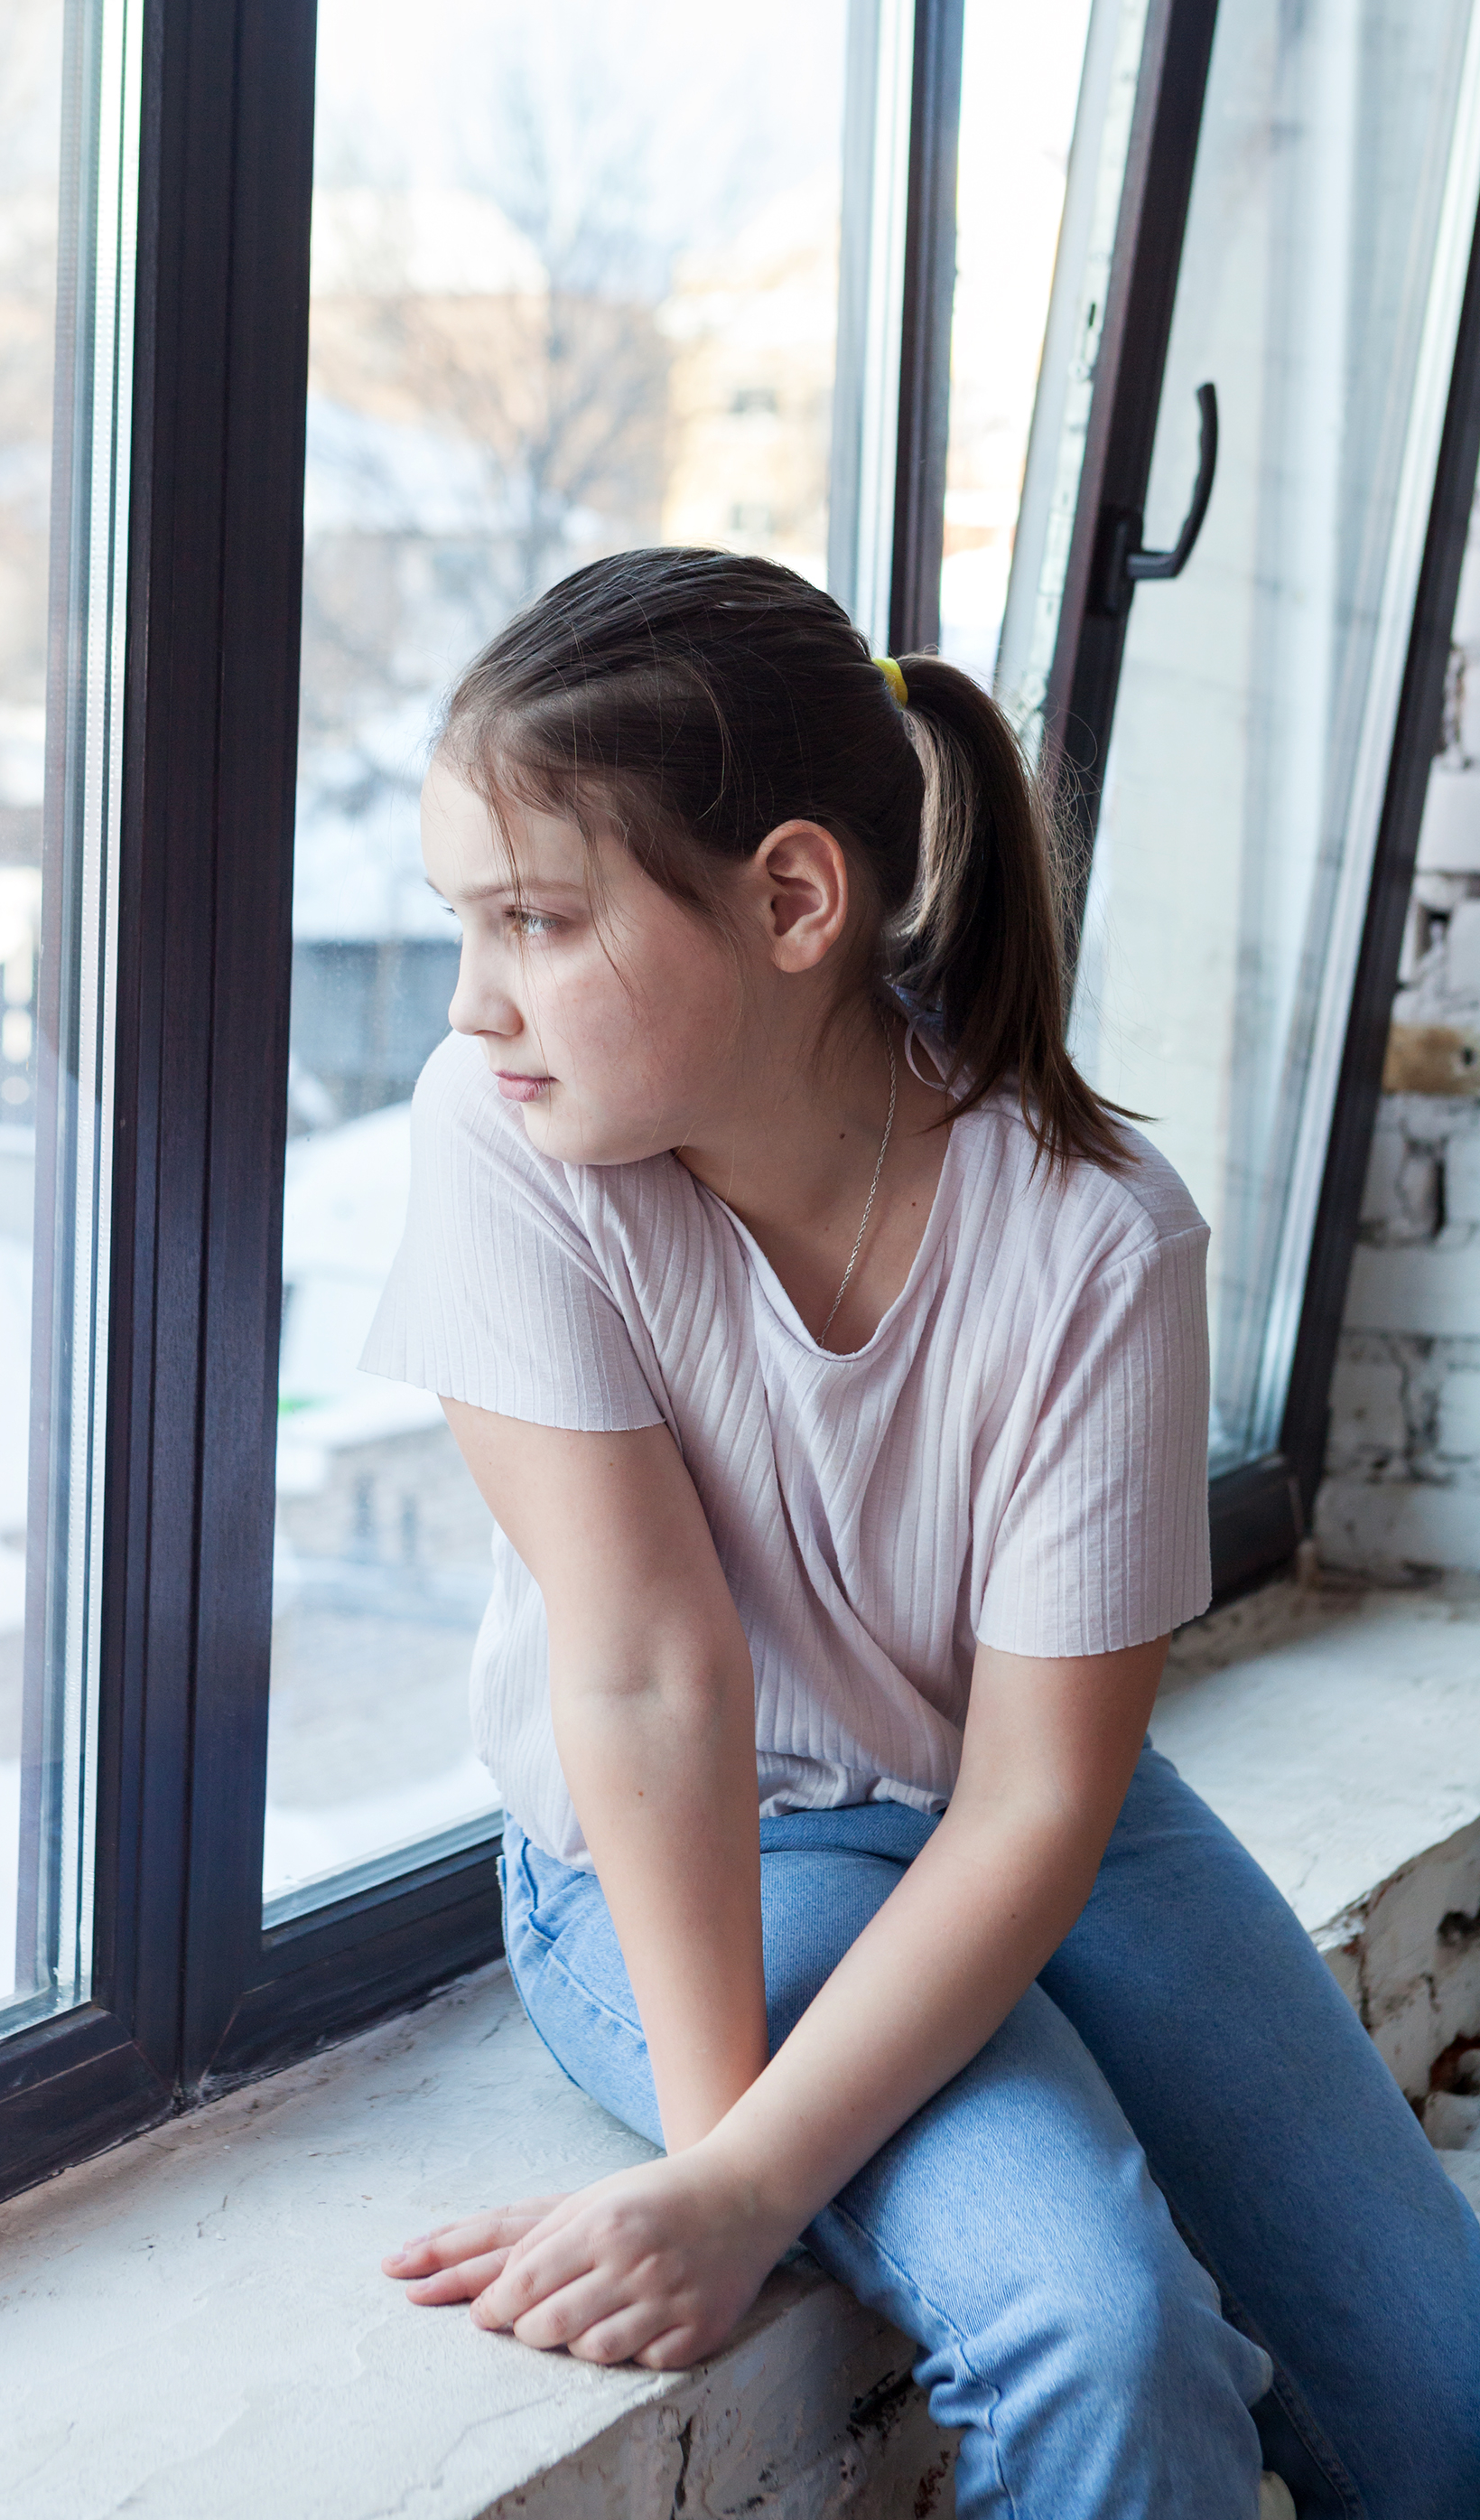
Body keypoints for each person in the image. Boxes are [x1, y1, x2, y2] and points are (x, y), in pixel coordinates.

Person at [366, 549, 1480, 2518]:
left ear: (794, 899)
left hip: (1014, 1811)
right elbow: (644, 1671)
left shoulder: (1091, 1235)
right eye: (466, 925)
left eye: (535, 921)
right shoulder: (503, 1135)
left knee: (1448, 2392)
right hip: (705, 1844)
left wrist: (749, 2177)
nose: (479, 1004)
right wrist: (730, 2171)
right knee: (1102, 2334)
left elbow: (1049, 1800)